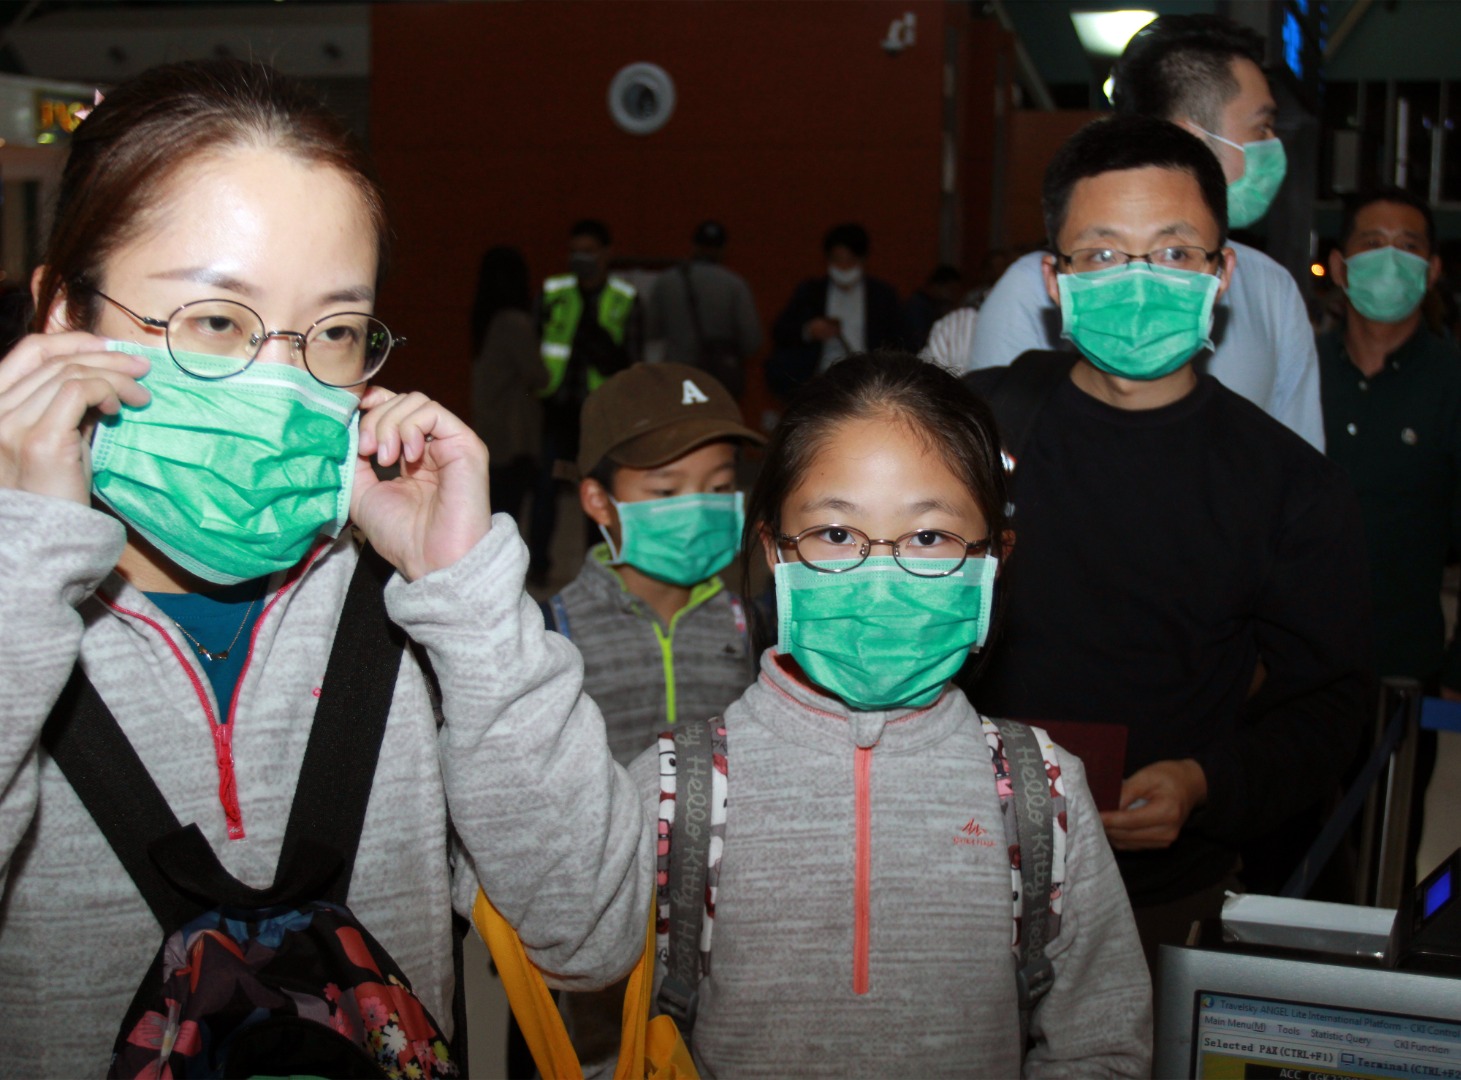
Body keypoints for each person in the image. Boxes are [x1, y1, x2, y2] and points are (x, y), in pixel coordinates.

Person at [0, 59, 652, 1075]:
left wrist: (466, 590)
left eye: (335, 333)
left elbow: (592, 929)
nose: (279, 380)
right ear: (58, 316)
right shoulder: (13, 608)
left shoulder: (411, 612)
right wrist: (23, 565)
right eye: (215, 322)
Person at [630, 352, 1153, 1077]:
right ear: (774, 551)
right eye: (836, 535)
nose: (881, 577)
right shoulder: (670, 790)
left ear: (993, 560)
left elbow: (1100, 1041)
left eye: (929, 538)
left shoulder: (1043, 794)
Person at [965, 115, 1369, 966]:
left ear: (1220, 274)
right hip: (954, 872)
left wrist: (1204, 784)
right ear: (1053, 277)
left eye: (1175, 252)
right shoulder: (965, 435)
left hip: (1161, 898)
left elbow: (1329, 703)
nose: (1139, 282)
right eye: (1103, 255)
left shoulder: (1288, 485)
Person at [960, 13, 1325, 451]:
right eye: (1260, 128)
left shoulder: (1272, 288)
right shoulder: (1038, 291)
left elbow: (1300, 458)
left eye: (1175, 255)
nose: (1273, 147)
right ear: (1193, 137)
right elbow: (987, 470)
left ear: (1222, 274)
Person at [1319, 186, 1461, 875]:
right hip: (1291, 669)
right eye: (1373, 243)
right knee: (1289, 857)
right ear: (1340, 265)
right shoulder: (1298, 369)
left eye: (1407, 247)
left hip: (1403, 668)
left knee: (1383, 859)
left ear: (1432, 270)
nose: (1389, 259)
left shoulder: (1452, 382)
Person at [545, 362, 764, 766]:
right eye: (666, 490)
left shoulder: (755, 628)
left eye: (719, 487)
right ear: (598, 501)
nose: (698, 510)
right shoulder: (552, 635)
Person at [529, 218, 640, 584]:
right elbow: (535, 345)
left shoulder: (624, 298)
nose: (581, 258)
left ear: (607, 254)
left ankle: (596, 570)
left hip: (599, 416)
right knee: (546, 489)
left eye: (589, 251)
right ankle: (538, 567)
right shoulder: (554, 291)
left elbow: (631, 359)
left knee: (595, 494)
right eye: (576, 251)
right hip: (556, 410)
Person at [767, 223, 904, 400]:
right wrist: (809, 330)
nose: (843, 267)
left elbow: (900, 340)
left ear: (862, 260)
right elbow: (780, 331)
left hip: (868, 382)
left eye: (849, 260)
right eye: (837, 260)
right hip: (819, 380)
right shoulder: (811, 291)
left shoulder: (882, 296)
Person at [643, 220, 762, 398]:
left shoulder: (667, 282)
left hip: (677, 374)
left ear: (693, 245)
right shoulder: (735, 284)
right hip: (718, 379)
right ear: (724, 249)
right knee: (717, 423)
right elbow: (752, 341)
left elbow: (650, 329)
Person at [470, 244, 545, 524]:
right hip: (515, 437)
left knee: (493, 511)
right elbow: (539, 375)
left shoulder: (484, 319)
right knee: (509, 514)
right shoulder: (515, 322)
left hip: (491, 430)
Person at [902, 263, 963, 353]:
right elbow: (918, 339)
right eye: (951, 290)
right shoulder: (917, 306)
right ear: (938, 286)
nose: (953, 296)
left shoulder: (933, 305)